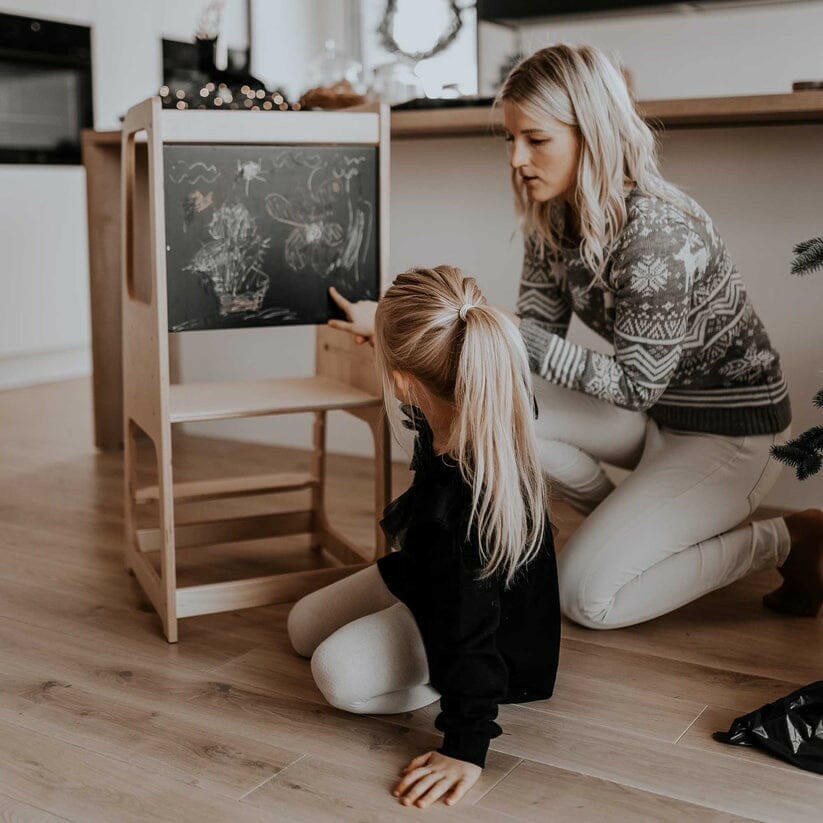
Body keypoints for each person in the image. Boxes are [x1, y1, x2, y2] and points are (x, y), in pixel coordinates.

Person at [326, 42, 823, 626]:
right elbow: (531, 349)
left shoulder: (656, 236)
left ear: (593, 135)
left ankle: (788, 539)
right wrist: (397, 326)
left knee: (588, 599)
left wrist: (509, 331)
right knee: (483, 407)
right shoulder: (552, 216)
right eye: (511, 139)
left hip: (728, 433)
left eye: (536, 140)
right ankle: (629, 524)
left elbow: (633, 384)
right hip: (653, 416)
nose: (517, 158)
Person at [287, 266, 560, 809]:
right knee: (302, 627)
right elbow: (436, 346)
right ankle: (419, 652)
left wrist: (466, 746)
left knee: (334, 673)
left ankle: (439, 676)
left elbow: (470, 625)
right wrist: (376, 323)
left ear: (403, 382)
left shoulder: (457, 511)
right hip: (434, 581)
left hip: (492, 636)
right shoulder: (472, 386)